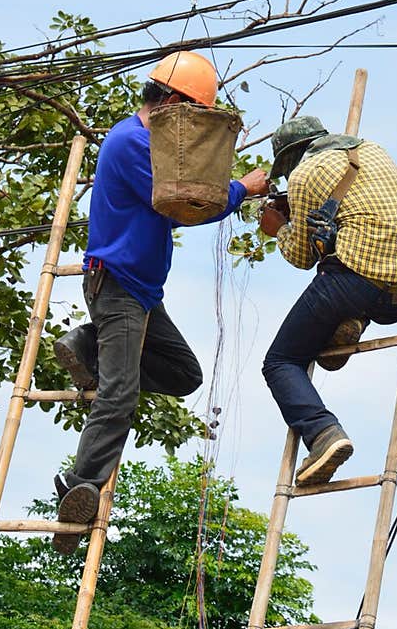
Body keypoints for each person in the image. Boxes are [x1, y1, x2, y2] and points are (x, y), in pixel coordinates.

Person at [50, 49, 268, 554]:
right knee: (119, 395)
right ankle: (79, 485)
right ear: (171, 102)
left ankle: (89, 347)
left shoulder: (152, 145)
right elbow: (181, 204)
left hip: (142, 291)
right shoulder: (131, 142)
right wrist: (240, 189)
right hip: (120, 284)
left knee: (183, 373)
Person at [258, 115, 397, 487]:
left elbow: (302, 256)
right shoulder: (373, 150)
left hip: (355, 282)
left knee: (280, 361)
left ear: (292, 158)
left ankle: (323, 434)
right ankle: (350, 324)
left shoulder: (304, 175)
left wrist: (279, 227)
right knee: (349, 278)